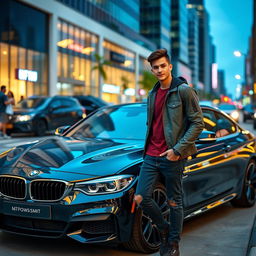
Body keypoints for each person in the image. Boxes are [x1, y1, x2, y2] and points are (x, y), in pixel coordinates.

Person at [133, 49, 204, 256]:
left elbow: (197, 123)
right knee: (141, 198)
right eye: (155, 67)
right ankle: (164, 229)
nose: (159, 70)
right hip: (151, 155)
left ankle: (173, 244)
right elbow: (152, 124)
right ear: (152, 69)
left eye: (163, 66)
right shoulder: (152, 93)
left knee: (174, 201)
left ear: (170, 66)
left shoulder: (183, 91)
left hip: (172, 155)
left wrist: (177, 150)